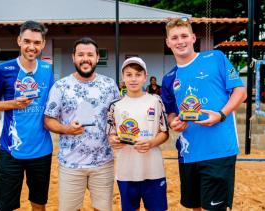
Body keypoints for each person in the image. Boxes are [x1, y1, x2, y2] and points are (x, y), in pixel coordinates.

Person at [161, 18, 247, 211]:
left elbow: (240, 92)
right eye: (174, 37)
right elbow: (172, 113)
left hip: (219, 149)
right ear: (168, 42)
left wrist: (221, 114)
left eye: (184, 36)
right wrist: (174, 122)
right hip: (188, 153)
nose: (180, 41)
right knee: (196, 207)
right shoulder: (168, 79)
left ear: (193, 38)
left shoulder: (215, 58)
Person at [0, 20, 54, 211]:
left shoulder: (47, 70)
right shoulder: (3, 69)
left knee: (39, 203)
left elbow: (53, 104)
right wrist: (13, 104)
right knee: (6, 206)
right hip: (10, 149)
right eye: (28, 41)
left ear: (43, 44)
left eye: (37, 43)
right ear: (19, 41)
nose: (32, 47)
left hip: (42, 150)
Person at [44, 37, 119, 211]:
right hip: (70, 164)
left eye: (90, 54)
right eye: (81, 54)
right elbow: (48, 119)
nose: (85, 58)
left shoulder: (109, 85)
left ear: (97, 57)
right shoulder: (61, 86)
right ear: (73, 57)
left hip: (103, 163)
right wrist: (67, 129)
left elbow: (117, 118)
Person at [107, 57, 169, 211]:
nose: (133, 79)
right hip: (126, 171)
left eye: (138, 74)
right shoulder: (115, 105)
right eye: (129, 74)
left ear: (145, 77)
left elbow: (165, 132)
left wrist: (152, 143)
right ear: (123, 77)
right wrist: (113, 140)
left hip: (153, 170)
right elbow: (111, 134)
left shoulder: (156, 101)